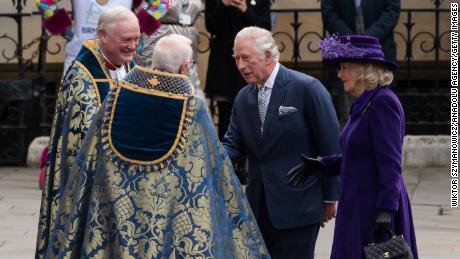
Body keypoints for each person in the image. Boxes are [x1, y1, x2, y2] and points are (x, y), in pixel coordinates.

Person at [45, 34, 270, 258]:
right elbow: (208, 164)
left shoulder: (115, 97)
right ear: (184, 68)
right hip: (167, 212)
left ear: (155, 62)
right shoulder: (192, 108)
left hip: (116, 208)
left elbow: (90, 155)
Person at [288, 35, 418, 259]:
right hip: (356, 204)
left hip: (374, 207)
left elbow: (390, 164)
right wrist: (322, 164)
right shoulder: (365, 103)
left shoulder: (383, 102)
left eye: (344, 67)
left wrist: (387, 209)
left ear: (362, 70)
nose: (339, 74)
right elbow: (359, 155)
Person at [222, 26, 340, 259]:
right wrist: (201, 161)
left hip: (300, 206)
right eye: (236, 59)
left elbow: (331, 146)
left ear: (268, 56)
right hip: (257, 209)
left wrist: (330, 197)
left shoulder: (307, 88)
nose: (240, 66)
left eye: (245, 58)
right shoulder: (243, 97)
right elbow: (232, 145)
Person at [35, 6, 140, 258]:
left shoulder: (130, 66)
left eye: (136, 39)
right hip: (91, 182)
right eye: (127, 40)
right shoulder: (82, 78)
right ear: (103, 35)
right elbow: (85, 140)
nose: (133, 46)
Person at [320, 0, 400, 125]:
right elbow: (329, 12)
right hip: (345, 54)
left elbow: (391, 11)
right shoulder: (343, 72)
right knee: (349, 117)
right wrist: (351, 41)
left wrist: (367, 40)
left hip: (378, 54)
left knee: (379, 115)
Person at [36, 0, 168, 73]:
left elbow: (161, 4)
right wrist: (66, 29)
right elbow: (43, 2)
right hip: (79, 58)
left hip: (119, 62)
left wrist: (135, 30)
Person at [205, 0, 272, 140]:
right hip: (224, 67)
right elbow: (211, 26)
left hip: (252, 64)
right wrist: (223, 5)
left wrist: (246, 9)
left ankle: (249, 159)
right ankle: (227, 159)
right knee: (226, 118)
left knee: (254, 116)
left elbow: (265, 29)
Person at [135, 0, 205, 100]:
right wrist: (162, 7)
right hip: (159, 39)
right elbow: (143, 20)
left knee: (190, 87)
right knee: (155, 84)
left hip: (189, 41)